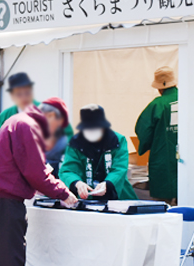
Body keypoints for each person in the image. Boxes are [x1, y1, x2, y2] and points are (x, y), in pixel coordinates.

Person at [0, 97, 78, 266]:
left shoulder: (19, 120)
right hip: (7, 191)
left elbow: (29, 165)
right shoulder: (29, 127)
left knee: (3, 248)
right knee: (13, 248)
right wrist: (63, 193)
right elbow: (35, 169)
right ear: (52, 116)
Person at [59, 104, 137, 201]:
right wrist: (77, 183)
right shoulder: (75, 143)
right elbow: (68, 170)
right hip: (86, 199)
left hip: (118, 198)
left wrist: (108, 183)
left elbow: (120, 168)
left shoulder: (117, 140)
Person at [0, 72, 73, 159]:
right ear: (12, 96)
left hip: (44, 164)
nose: (24, 97)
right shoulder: (6, 115)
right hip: (13, 166)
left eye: (27, 92)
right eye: (19, 94)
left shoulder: (47, 110)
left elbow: (68, 137)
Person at [135, 66, 178, 204]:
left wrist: (144, 146)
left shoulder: (157, 105)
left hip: (162, 161)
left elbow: (143, 129)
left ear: (160, 87)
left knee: (162, 207)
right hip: (186, 161)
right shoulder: (188, 100)